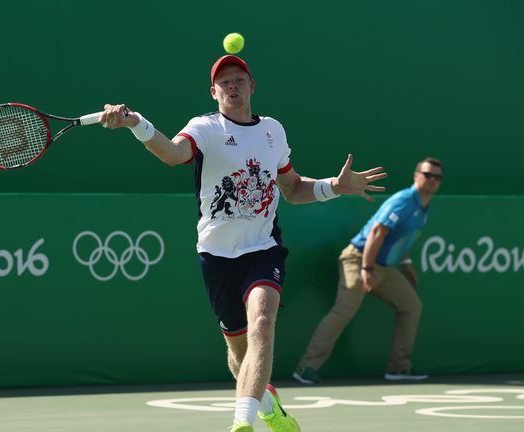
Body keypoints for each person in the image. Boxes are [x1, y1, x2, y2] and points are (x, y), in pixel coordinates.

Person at [99, 55, 387, 432]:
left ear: (252, 86)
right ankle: (269, 407)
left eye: (239, 80)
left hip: (263, 248)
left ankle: (242, 424)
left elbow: (293, 188)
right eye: (225, 82)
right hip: (216, 255)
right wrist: (135, 123)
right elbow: (173, 154)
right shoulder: (204, 128)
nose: (232, 86)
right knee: (240, 355)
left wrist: (335, 186)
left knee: (263, 323)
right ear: (214, 91)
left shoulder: (273, 131)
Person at [293, 158, 443, 385]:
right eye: (428, 174)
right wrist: (366, 268)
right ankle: (307, 367)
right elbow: (376, 233)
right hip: (358, 259)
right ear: (416, 175)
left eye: (437, 177)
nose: (432, 180)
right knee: (345, 308)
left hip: (383, 267)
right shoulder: (404, 201)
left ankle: (399, 368)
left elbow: (399, 237)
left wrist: (407, 264)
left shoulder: (424, 206)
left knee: (412, 306)